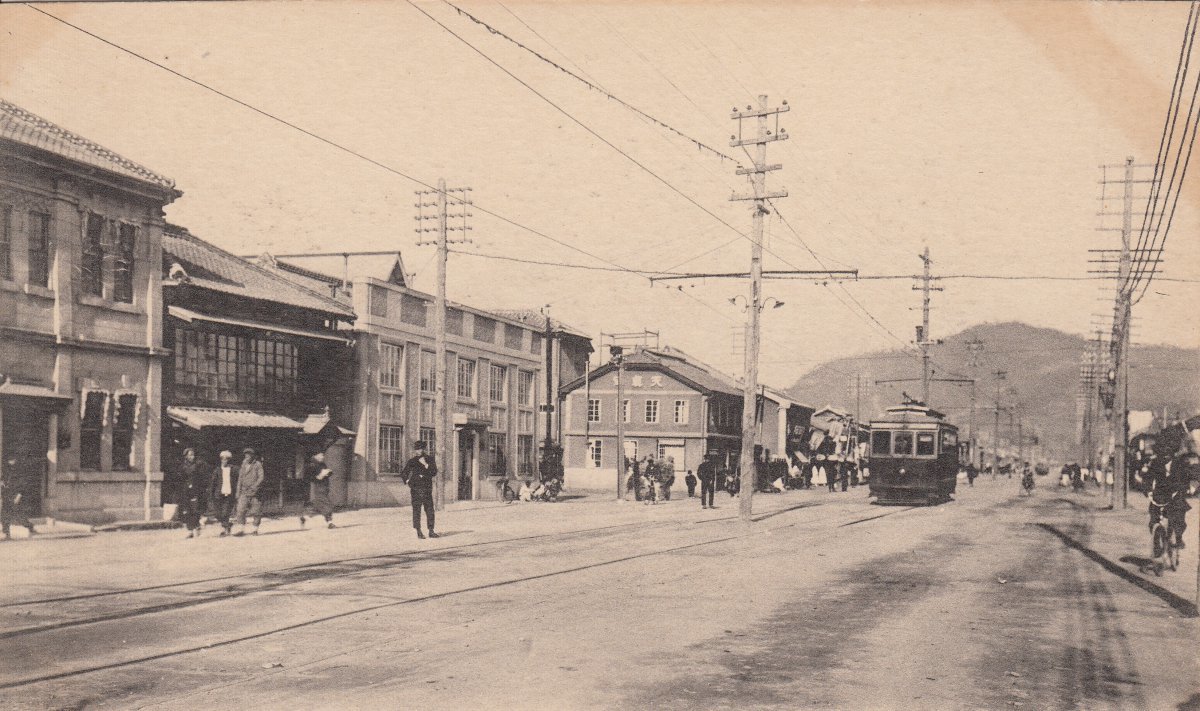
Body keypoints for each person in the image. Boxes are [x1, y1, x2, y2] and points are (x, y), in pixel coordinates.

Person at [1147, 450, 1196, 549]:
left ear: (1172, 454)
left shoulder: (1180, 464)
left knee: (1178, 518)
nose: (1165, 457)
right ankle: (1156, 541)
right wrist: (1148, 491)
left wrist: (1192, 487)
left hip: (1176, 494)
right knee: (1153, 519)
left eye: (1168, 454)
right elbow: (1148, 478)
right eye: (1163, 453)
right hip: (1159, 494)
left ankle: (1178, 538)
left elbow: (1192, 476)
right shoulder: (1156, 463)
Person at [402, 440, 438, 539]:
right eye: (417, 449)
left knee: (430, 509)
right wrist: (409, 481)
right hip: (416, 489)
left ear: (423, 449)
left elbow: (434, 472)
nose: (418, 451)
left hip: (427, 489)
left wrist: (426, 464)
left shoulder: (430, 459)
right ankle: (418, 531)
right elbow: (404, 473)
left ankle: (431, 530)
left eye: (420, 449)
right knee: (417, 510)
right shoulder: (412, 461)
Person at [1, 453, 36, 540]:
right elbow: (2, 480)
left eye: (12, 460)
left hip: (15, 496)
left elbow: (23, 485)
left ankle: (30, 526)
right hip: (7, 495)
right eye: (9, 460)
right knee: (4, 515)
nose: (10, 462)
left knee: (19, 516)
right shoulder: (6, 470)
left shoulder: (19, 472)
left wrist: (18, 496)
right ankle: (7, 534)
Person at [299, 452, 336, 529]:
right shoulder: (311, 465)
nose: (323, 457)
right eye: (321, 455)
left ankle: (304, 518)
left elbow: (329, 473)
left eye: (323, 455)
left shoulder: (322, 464)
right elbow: (308, 478)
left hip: (325, 487)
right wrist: (319, 476)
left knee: (318, 507)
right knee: (327, 505)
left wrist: (328, 473)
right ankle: (330, 523)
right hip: (318, 487)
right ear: (315, 456)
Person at [234, 448, 265, 536]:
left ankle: (255, 529)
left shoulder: (257, 464)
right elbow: (240, 478)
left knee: (256, 511)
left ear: (253, 456)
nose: (247, 456)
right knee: (240, 510)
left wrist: (255, 486)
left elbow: (261, 477)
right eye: (246, 455)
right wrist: (237, 491)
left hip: (255, 492)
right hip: (244, 491)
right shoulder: (243, 464)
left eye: (249, 455)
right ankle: (241, 529)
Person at [178, 448, 207, 539]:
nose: (192, 457)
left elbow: (202, 478)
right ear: (186, 456)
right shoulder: (182, 466)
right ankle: (190, 530)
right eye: (190, 455)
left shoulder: (198, 465)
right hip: (186, 491)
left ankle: (196, 529)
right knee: (187, 510)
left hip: (196, 490)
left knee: (195, 510)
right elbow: (181, 479)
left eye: (193, 455)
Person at [208, 450, 238, 537]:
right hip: (218, 494)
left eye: (227, 459)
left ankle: (225, 529)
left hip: (229, 494)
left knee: (225, 513)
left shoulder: (233, 469)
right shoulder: (217, 470)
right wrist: (211, 493)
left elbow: (239, 477)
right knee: (217, 514)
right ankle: (228, 525)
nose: (225, 461)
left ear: (229, 460)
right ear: (221, 460)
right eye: (223, 459)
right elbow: (213, 483)